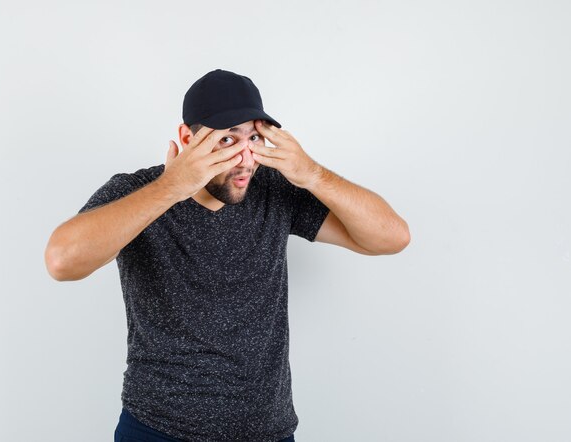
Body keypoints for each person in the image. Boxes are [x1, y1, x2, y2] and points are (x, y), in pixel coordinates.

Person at [44, 69, 410, 442]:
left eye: (253, 137)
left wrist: (312, 173)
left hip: (268, 431)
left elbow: (391, 237)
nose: (245, 157)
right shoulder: (139, 191)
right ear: (188, 138)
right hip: (158, 429)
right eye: (227, 140)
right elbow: (61, 261)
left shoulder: (272, 188)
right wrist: (171, 188)